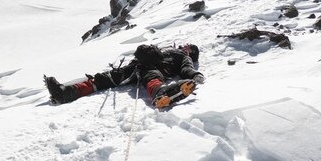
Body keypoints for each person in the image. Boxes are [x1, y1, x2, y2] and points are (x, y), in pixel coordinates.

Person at [44, 43, 205, 109]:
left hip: (157, 67)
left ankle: (161, 93)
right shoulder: (170, 48)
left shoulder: (183, 56)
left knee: (151, 75)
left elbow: (186, 68)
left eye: (189, 48)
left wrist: (195, 74)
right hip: (138, 65)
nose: (185, 46)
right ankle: (65, 93)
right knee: (109, 77)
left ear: (192, 53)